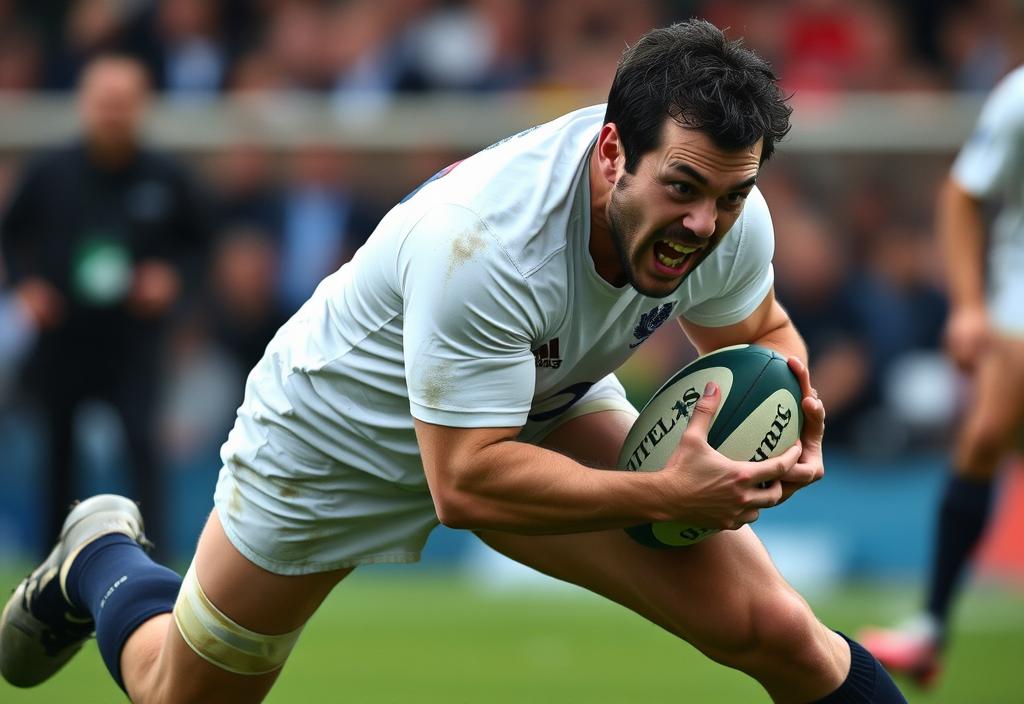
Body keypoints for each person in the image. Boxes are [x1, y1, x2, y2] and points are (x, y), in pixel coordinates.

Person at [0, 21, 906, 703]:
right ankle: (102, 558)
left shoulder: (727, 213)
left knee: (779, 628)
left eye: (731, 195)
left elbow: (762, 334)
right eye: (682, 190)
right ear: (611, 153)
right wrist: (668, 494)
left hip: (537, 401)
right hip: (337, 433)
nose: (705, 225)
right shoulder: (487, 244)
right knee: (175, 691)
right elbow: (467, 485)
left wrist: (791, 415)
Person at [0, 55, 211, 553]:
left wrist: (173, 279)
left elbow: (200, 244)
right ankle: (52, 565)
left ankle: (156, 558)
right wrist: (26, 285)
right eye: (104, 102)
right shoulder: (51, 172)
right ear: (84, 104)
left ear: (142, 106)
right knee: (56, 452)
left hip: (133, 338)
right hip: (62, 336)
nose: (113, 114)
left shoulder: (165, 176)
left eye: (123, 103)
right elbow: (12, 234)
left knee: (142, 446)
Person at [859, 64, 1024, 687]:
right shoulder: (1019, 97)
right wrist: (970, 306)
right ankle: (930, 627)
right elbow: (962, 194)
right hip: (1018, 296)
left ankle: (930, 628)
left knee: (987, 436)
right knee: (986, 435)